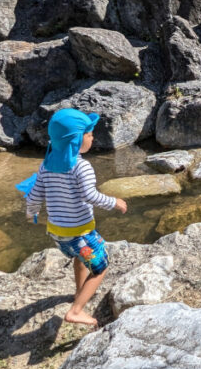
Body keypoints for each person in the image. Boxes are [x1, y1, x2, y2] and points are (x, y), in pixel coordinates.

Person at [25, 108, 127, 327]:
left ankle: (78, 293)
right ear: (77, 140)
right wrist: (114, 202)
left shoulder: (47, 164)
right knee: (101, 267)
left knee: (80, 259)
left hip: (57, 233)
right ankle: (76, 310)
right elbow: (90, 196)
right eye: (89, 134)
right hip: (79, 232)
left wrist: (31, 212)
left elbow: (34, 194)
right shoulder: (82, 167)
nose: (93, 137)